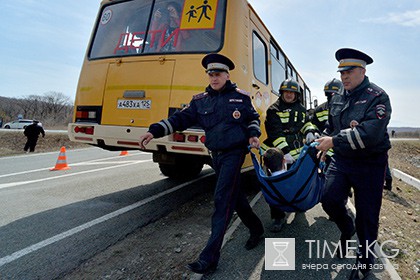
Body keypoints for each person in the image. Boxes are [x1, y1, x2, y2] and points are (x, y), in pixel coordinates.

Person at [138, 53, 264, 274]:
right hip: (215, 155)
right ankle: (256, 229)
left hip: (234, 154)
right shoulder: (199, 101)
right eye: (210, 74)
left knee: (222, 199)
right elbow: (178, 120)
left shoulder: (240, 98)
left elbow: (253, 118)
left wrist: (253, 134)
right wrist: (154, 130)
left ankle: (209, 259)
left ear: (227, 75)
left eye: (218, 74)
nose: (214, 78)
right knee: (235, 198)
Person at [315, 48, 391, 280]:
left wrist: (333, 141)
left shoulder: (378, 97)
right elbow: (332, 126)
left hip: (370, 164)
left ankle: (364, 264)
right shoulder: (338, 97)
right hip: (343, 160)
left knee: (367, 217)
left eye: (349, 71)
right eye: (341, 72)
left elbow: (369, 134)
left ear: (362, 71)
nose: (344, 77)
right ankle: (347, 228)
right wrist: (321, 139)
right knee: (328, 199)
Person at [261, 78, 317, 232]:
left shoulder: (300, 108)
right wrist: (284, 153)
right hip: (278, 156)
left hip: (298, 153)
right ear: (282, 92)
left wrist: (310, 131)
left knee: (298, 182)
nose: (289, 95)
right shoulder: (274, 110)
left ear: (296, 95)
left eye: (292, 92)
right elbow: (275, 134)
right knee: (277, 186)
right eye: (286, 92)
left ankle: (298, 206)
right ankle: (278, 217)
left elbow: (306, 122)